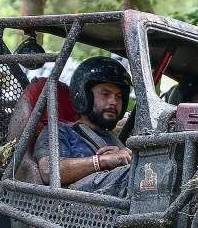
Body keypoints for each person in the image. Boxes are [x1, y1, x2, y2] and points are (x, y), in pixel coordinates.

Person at [32, 56, 133, 197]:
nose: (113, 102)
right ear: (84, 96)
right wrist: (103, 161)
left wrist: (127, 159)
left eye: (119, 97)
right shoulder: (59, 131)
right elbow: (48, 170)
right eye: (105, 94)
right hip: (70, 209)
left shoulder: (115, 140)